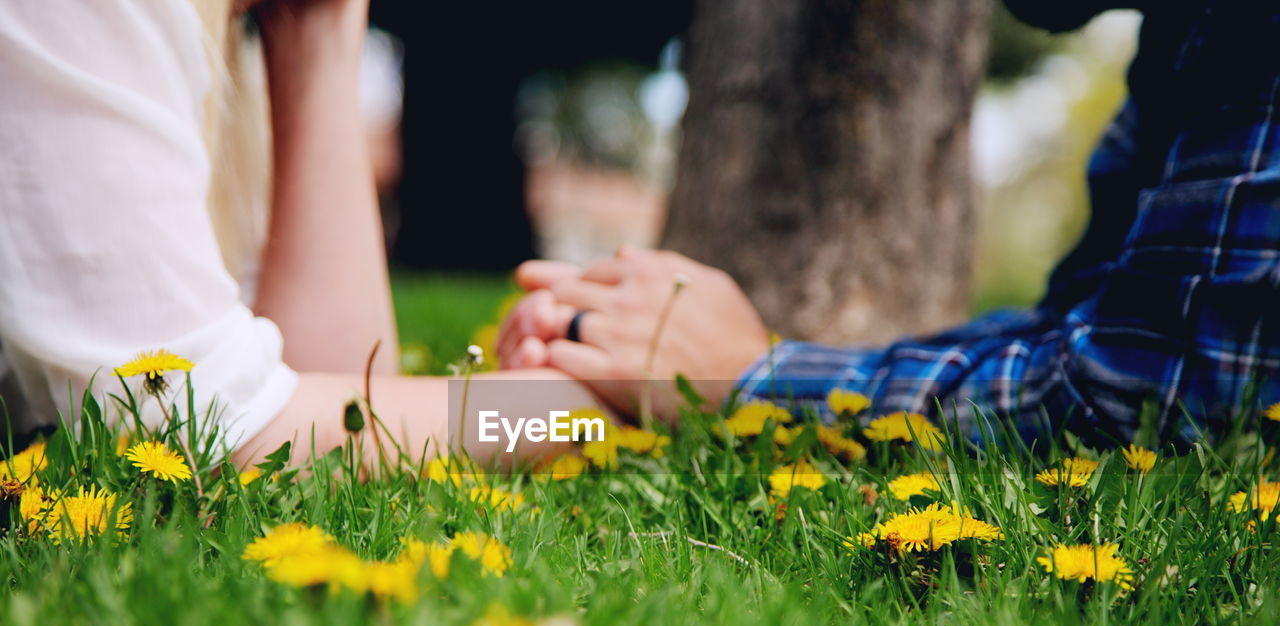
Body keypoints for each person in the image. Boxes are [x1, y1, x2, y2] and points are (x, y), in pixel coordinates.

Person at [498, 0, 1280, 445]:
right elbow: (1078, 329)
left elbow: (1152, 400)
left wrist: (751, 376)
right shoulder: (1191, 32)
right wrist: (655, 348)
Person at [0, 0, 600, 466]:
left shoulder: (221, 48)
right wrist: (577, 409)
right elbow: (203, 432)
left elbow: (334, 382)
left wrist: (318, 34)